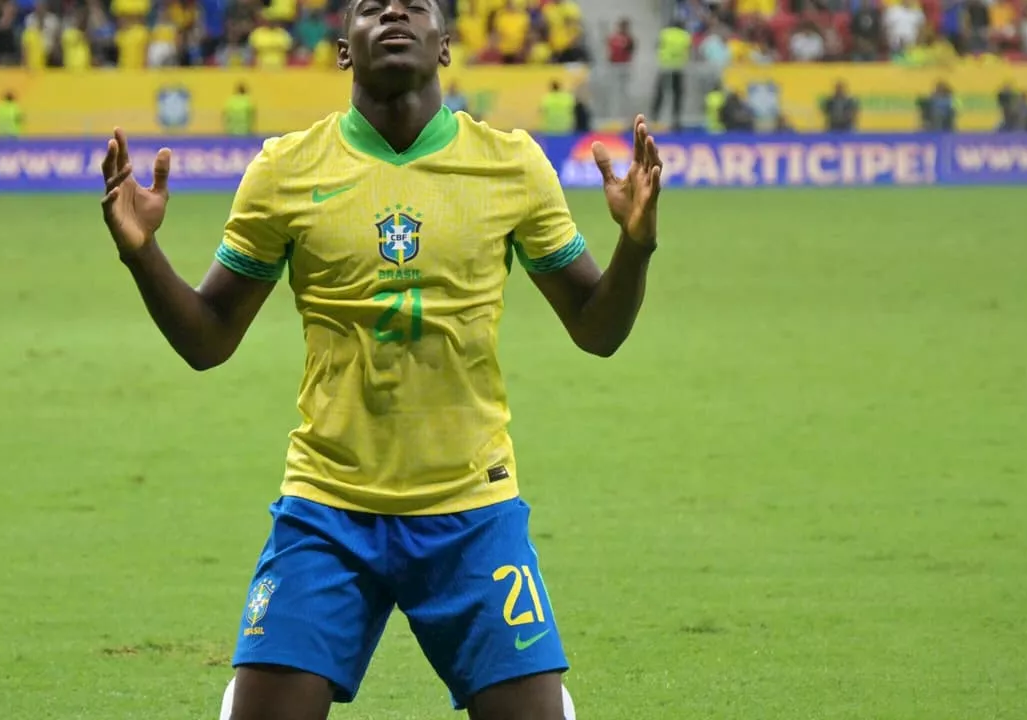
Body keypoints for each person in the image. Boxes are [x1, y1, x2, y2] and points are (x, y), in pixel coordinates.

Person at [97, 0, 664, 715]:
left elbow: (597, 327)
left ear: (444, 45)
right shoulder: (285, 170)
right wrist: (142, 254)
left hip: (472, 508)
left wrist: (636, 244)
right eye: (371, 7)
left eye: (414, 5)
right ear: (344, 51)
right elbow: (208, 338)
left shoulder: (513, 165)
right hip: (328, 508)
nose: (393, 10)